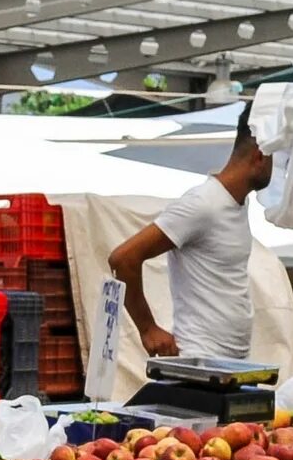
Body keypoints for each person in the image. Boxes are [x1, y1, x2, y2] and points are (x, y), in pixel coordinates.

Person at [107, 104, 270, 361]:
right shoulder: (203, 203)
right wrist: (148, 328)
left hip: (230, 363)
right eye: (280, 159)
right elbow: (123, 259)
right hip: (199, 361)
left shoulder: (237, 203)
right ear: (260, 156)